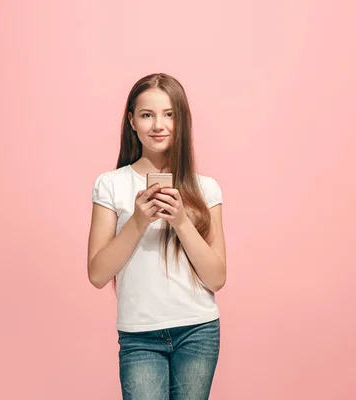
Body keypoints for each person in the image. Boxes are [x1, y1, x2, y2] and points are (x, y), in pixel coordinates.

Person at [87, 72, 227, 399]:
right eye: (147, 114)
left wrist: (180, 221)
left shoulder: (206, 188)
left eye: (169, 114)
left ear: (182, 122)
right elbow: (97, 274)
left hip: (198, 330)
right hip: (139, 336)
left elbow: (217, 277)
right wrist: (137, 220)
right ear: (132, 121)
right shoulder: (111, 185)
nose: (158, 125)